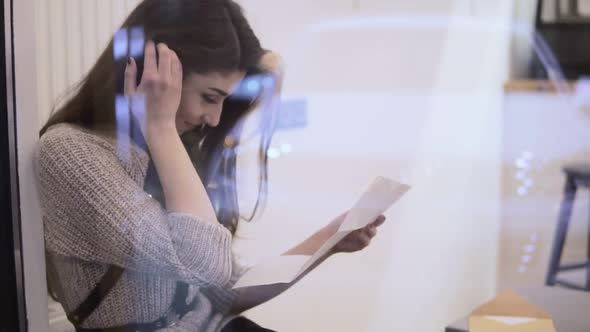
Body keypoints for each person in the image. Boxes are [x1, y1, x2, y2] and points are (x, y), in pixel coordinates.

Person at [34, 0, 386, 331]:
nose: (215, 119)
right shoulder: (70, 153)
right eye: (209, 97)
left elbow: (227, 291)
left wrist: (331, 239)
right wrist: (159, 127)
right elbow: (203, 263)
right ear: (154, 74)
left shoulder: (165, 152)